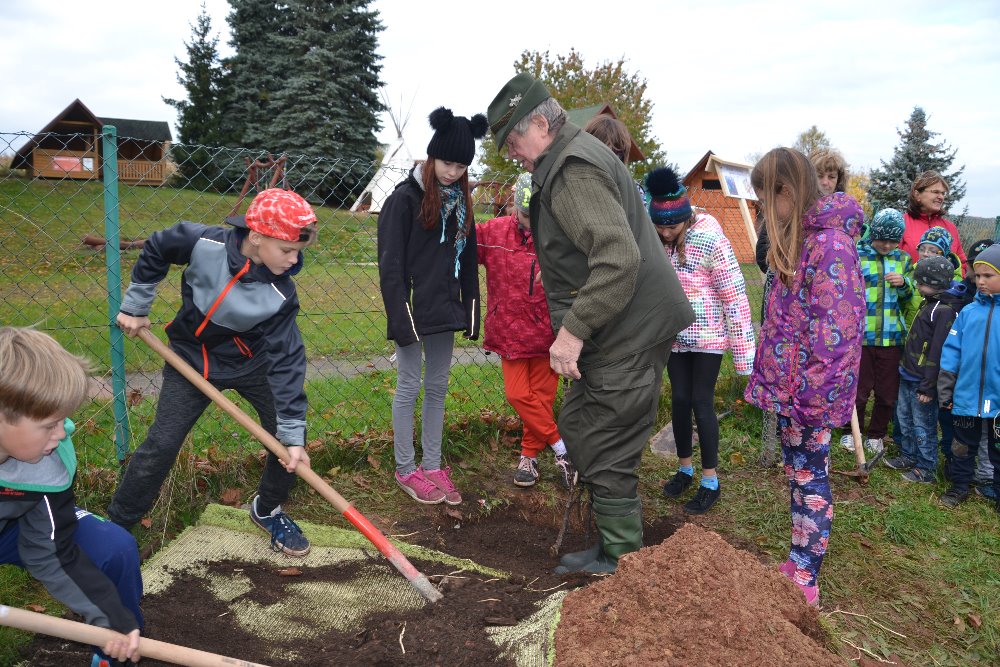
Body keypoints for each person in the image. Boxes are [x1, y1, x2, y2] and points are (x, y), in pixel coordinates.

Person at [487, 73, 694, 574]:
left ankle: (622, 564)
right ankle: (608, 544)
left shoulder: (573, 171)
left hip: (628, 329)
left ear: (539, 122)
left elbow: (617, 259)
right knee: (581, 425)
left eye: (513, 140)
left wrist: (573, 331)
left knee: (607, 442)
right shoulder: (567, 161)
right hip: (619, 324)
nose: (511, 152)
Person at [108, 188, 318, 557]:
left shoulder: (281, 293)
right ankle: (117, 525)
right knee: (162, 444)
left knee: (287, 443)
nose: (293, 259)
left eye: (298, 252)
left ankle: (267, 509)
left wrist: (294, 434)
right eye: (286, 250)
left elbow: (287, 361)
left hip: (253, 365)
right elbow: (157, 246)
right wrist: (137, 304)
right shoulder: (203, 242)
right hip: (190, 359)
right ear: (256, 236)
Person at [744, 147, 865, 606]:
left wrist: (814, 396)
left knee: (812, 480)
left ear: (788, 191)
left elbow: (836, 334)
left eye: (764, 199)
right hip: (792, 388)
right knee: (797, 475)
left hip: (811, 393)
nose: (761, 210)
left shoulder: (831, 245)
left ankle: (807, 577)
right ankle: (797, 557)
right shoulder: (800, 240)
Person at [0, 327, 143, 666]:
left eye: (63, 419)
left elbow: (54, 552)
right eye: (50, 424)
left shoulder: (46, 463)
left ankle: (110, 655)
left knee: (113, 549)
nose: (63, 432)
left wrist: (112, 621)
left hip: (11, 529)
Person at [378, 107, 487, 506]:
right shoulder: (403, 200)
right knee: (409, 385)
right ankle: (406, 468)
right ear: (431, 156)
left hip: (445, 311)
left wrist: (472, 311)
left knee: (438, 386)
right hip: (411, 310)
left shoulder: (462, 203)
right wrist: (399, 315)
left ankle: (433, 464)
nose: (453, 171)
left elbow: (469, 259)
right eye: (447, 162)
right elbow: (390, 267)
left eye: (461, 165)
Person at [646, 166, 755, 514]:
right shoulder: (655, 240)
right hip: (674, 337)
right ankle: (684, 468)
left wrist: (743, 355)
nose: (665, 232)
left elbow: (735, 296)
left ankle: (710, 479)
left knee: (700, 400)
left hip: (708, 338)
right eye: (659, 226)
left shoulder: (711, 240)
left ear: (685, 218)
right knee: (679, 399)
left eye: (671, 227)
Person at [476, 172, 574, 489]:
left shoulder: (558, 238)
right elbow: (463, 243)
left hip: (548, 334)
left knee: (542, 399)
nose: (531, 221)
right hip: (510, 333)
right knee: (518, 394)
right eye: (524, 214)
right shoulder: (493, 233)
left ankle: (529, 458)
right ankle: (562, 449)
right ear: (513, 208)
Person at [839, 208, 913, 455]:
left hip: (891, 338)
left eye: (893, 240)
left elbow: (909, 296)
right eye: (882, 238)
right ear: (874, 234)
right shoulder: (858, 255)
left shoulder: (903, 260)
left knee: (887, 392)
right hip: (862, 337)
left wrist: (904, 284)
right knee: (858, 390)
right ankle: (852, 432)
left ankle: (876, 434)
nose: (887, 244)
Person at [883, 256, 963, 483]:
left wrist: (929, 386)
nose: (917, 286)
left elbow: (937, 352)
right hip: (908, 374)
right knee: (904, 417)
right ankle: (908, 455)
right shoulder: (928, 302)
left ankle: (926, 467)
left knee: (923, 424)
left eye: (921, 282)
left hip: (924, 382)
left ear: (935, 283)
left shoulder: (945, 311)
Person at [937, 243, 1000, 510]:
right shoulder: (967, 313)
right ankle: (959, 487)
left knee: (997, 449)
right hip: (966, 395)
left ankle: (997, 490)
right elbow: (951, 352)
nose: (981, 281)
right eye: (978, 276)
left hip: (997, 400)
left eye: (988, 276)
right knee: (962, 446)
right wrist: (946, 388)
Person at [900, 171, 968, 273]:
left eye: (943, 193)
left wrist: (953, 284)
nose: (941, 197)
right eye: (935, 192)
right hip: (908, 287)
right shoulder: (902, 223)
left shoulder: (950, 228)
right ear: (917, 194)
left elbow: (962, 264)